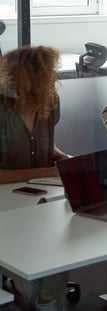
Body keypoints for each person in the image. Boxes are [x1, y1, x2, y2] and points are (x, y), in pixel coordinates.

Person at [0, 46, 70, 310]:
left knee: (67, 236)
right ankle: (27, 294)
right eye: (47, 74)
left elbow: (42, 144)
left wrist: (62, 157)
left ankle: (46, 301)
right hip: (6, 201)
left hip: (40, 194)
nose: (54, 79)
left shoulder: (49, 103)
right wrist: (47, 172)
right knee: (30, 246)